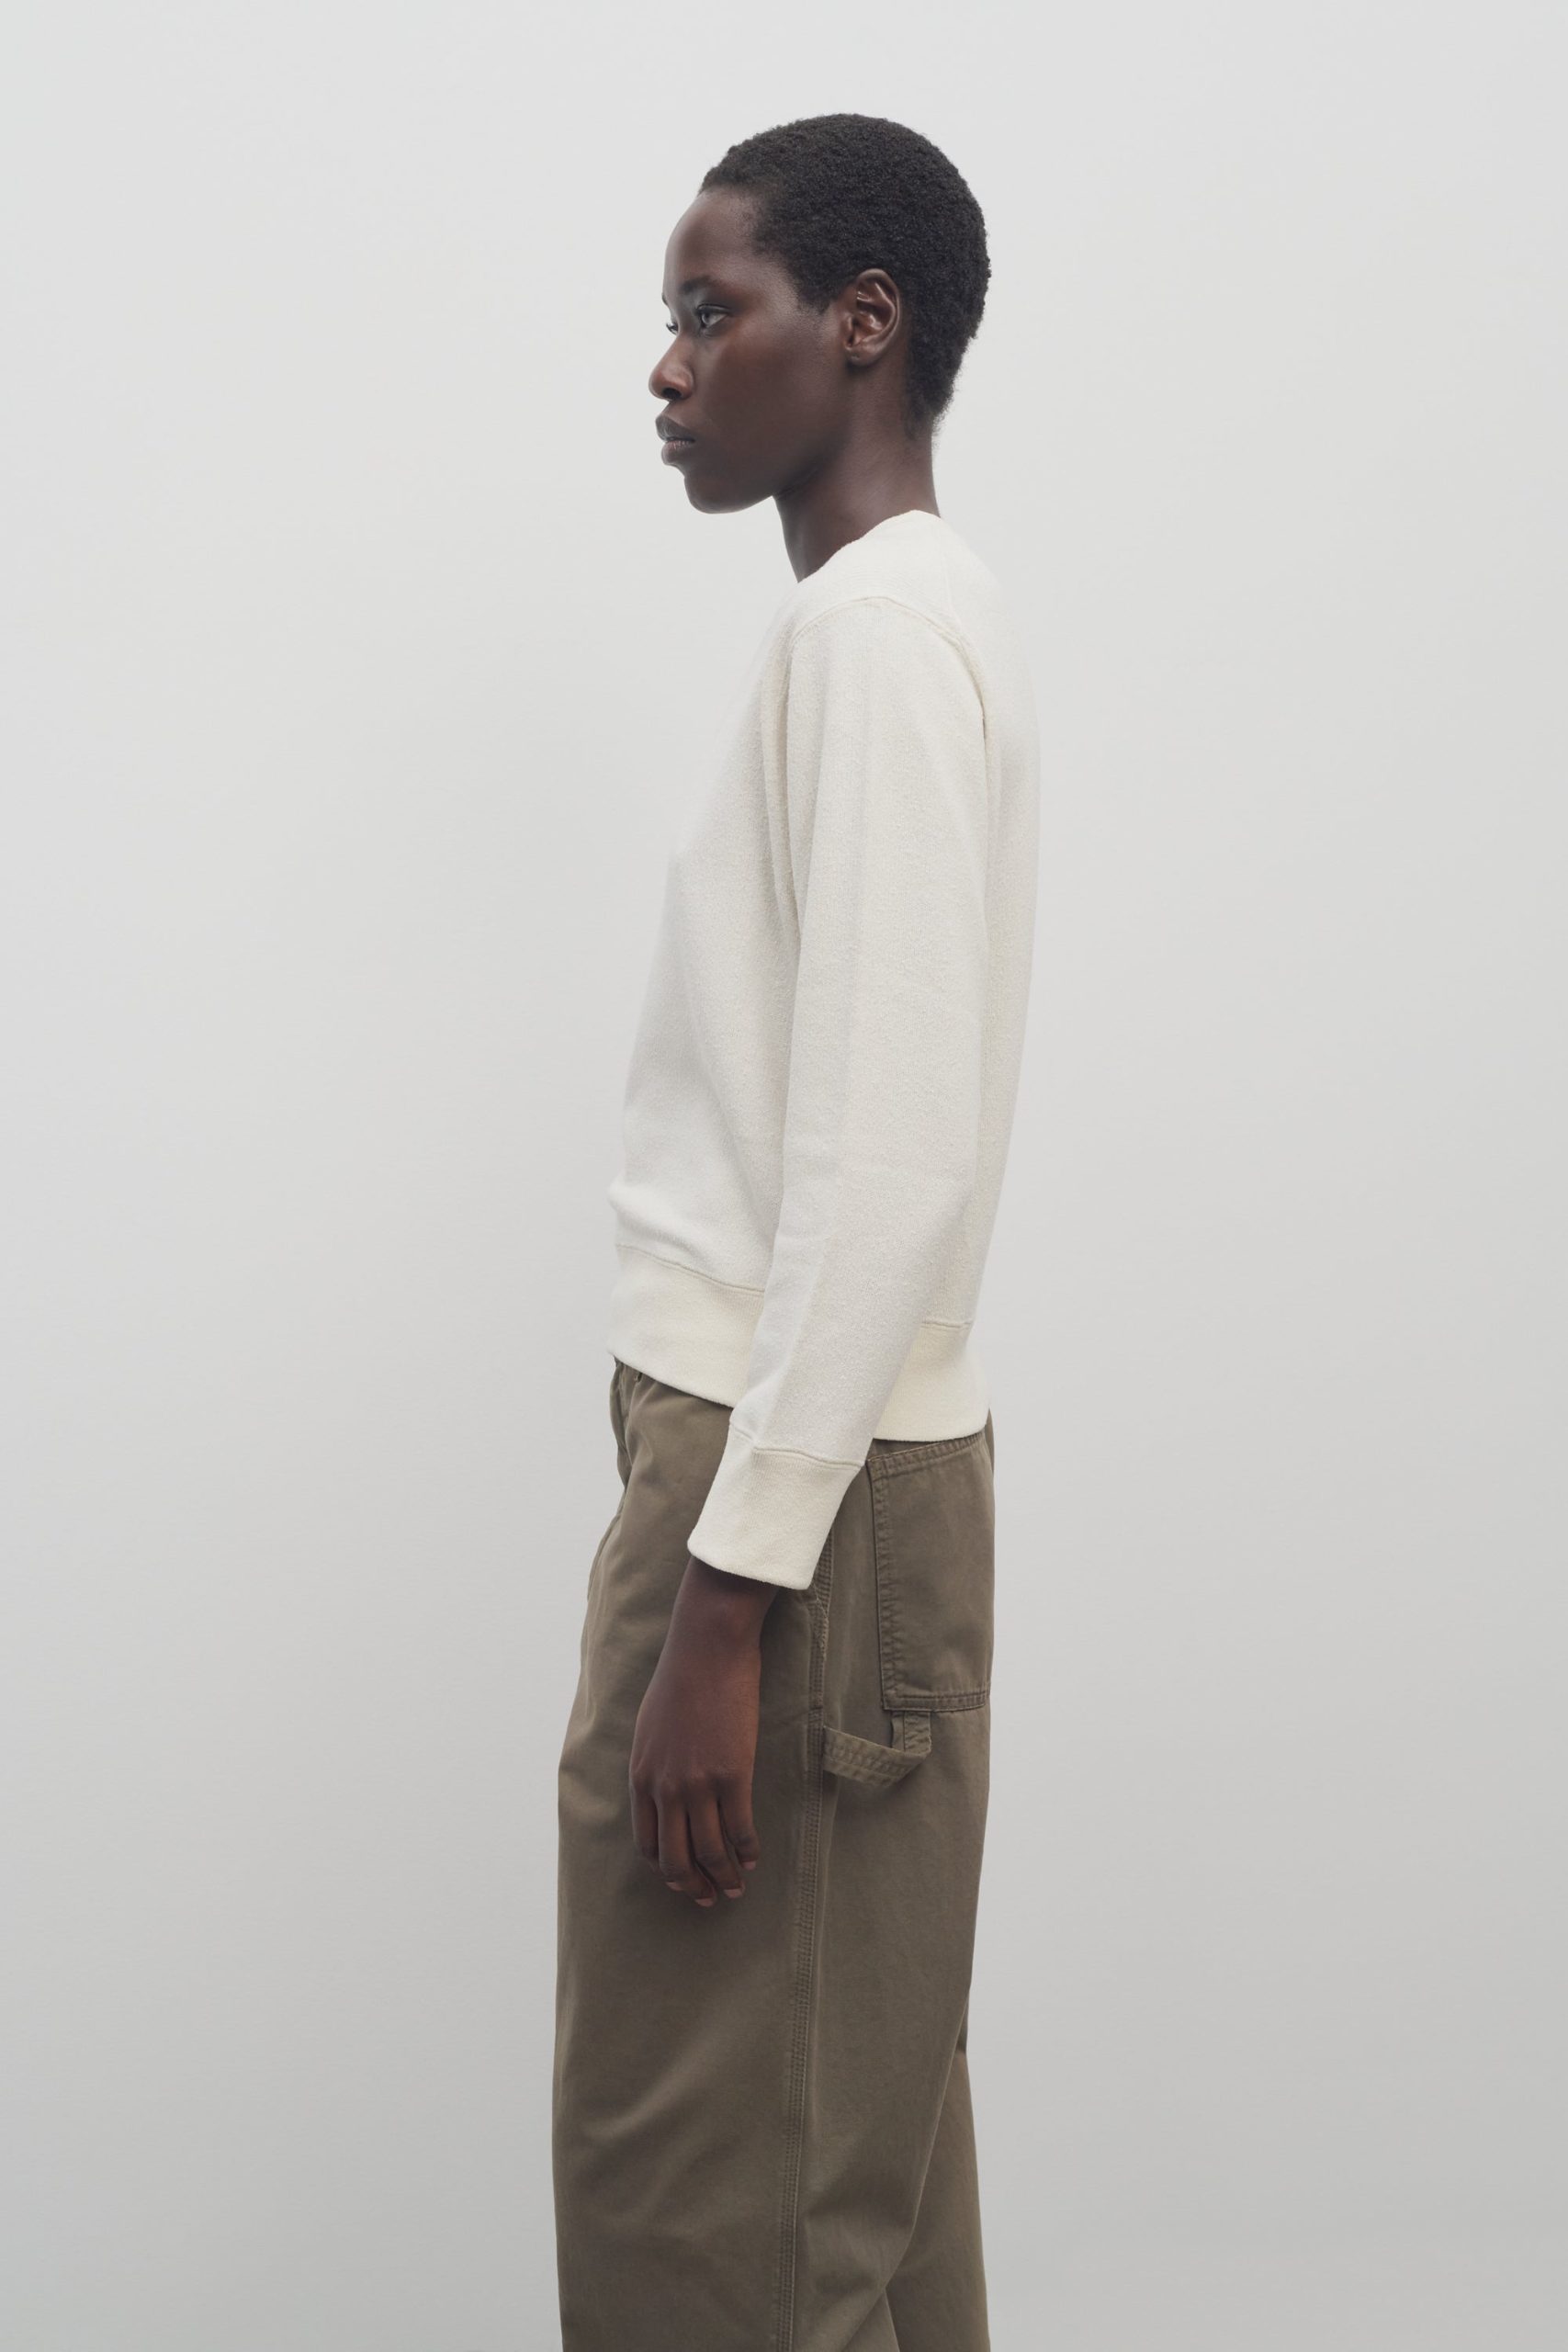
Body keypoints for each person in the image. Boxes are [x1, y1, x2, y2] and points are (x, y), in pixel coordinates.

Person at [553, 111, 1040, 2352]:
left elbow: (886, 1155)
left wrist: (727, 1600)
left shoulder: (876, 638)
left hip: (789, 1502)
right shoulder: (896, 627)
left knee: (709, 2208)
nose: (665, 366)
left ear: (861, 325)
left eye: (704, 310)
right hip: (814, 1474)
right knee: (846, 2165)